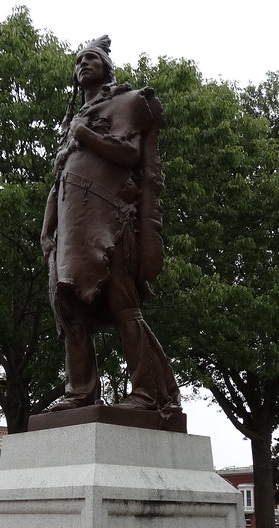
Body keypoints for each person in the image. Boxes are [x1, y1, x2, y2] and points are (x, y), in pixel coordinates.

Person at [41, 36, 181, 414]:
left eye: (92, 58)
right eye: (79, 60)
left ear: (106, 67)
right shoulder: (73, 121)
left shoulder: (125, 102)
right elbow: (59, 181)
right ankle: (81, 391)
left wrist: (85, 135)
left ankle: (149, 393)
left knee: (122, 303)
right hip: (71, 225)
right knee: (67, 302)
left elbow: (129, 152)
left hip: (110, 216)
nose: (84, 63)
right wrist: (47, 229)